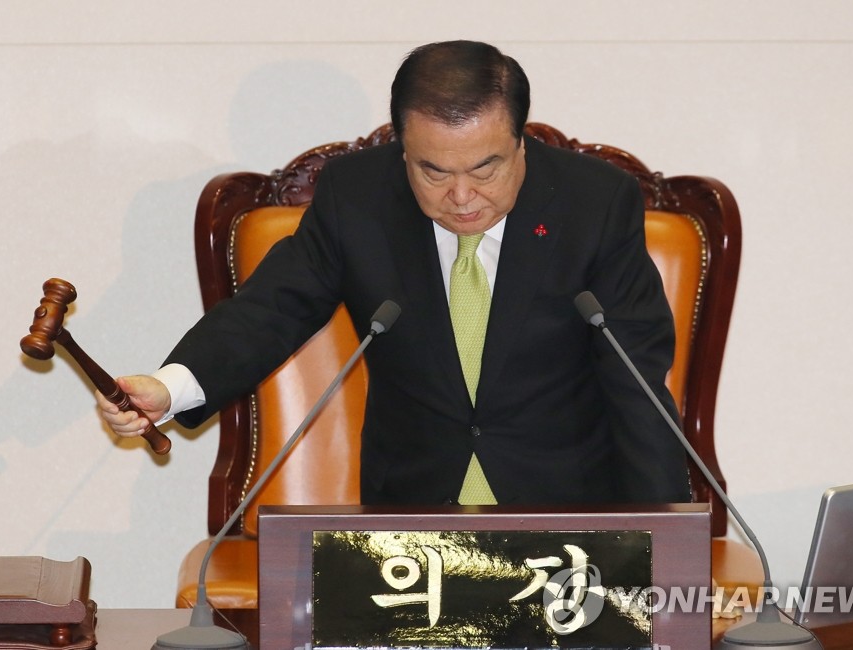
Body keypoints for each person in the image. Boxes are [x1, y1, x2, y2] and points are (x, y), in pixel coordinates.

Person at [98, 40, 691, 506]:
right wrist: (170, 387)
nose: (462, 196)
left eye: (485, 169)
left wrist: (668, 535)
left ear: (520, 143)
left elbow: (636, 382)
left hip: (566, 513)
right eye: (433, 171)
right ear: (403, 149)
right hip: (410, 516)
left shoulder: (594, 204)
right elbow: (272, 308)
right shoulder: (357, 198)